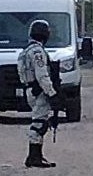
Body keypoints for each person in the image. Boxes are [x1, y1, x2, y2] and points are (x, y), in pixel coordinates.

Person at [16, 19, 64, 168]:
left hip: (30, 89)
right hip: (39, 91)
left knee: (39, 121)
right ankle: (34, 156)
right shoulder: (38, 52)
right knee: (39, 123)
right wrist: (52, 93)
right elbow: (42, 74)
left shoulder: (25, 52)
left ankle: (36, 155)